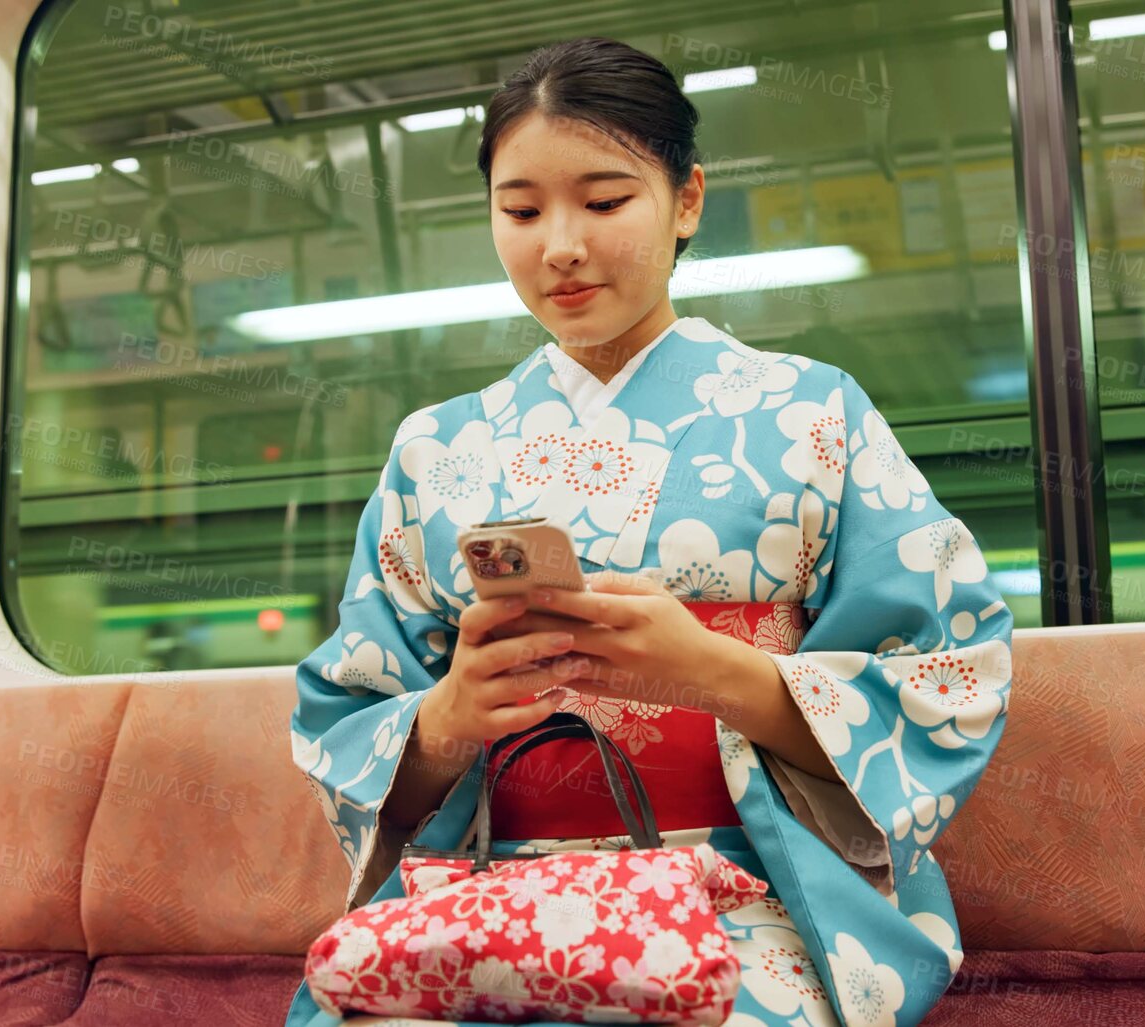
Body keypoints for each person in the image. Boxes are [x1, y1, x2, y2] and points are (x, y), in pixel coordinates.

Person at [284, 36, 1014, 1027]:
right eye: (522, 209)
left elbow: (950, 668)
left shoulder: (812, 413)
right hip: (486, 887)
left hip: (747, 890)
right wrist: (453, 713)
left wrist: (712, 673)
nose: (561, 245)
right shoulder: (433, 450)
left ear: (688, 201)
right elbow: (349, 717)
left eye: (605, 198)